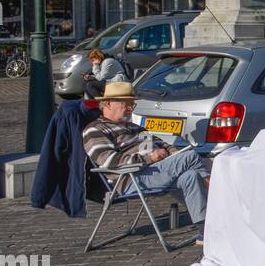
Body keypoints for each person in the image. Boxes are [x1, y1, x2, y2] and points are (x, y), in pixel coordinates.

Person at [82, 82, 209, 233]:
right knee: (191, 157)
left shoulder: (135, 128)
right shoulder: (95, 130)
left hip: (155, 171)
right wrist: (150, 158)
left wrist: (174, 155)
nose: (130, 108)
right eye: (126, 104)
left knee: (191, 175)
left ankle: (205, 230)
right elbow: (109, 161)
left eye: (132, 104)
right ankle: (221, 205)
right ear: (108, 104)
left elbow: (163, 144)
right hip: (131, 178)